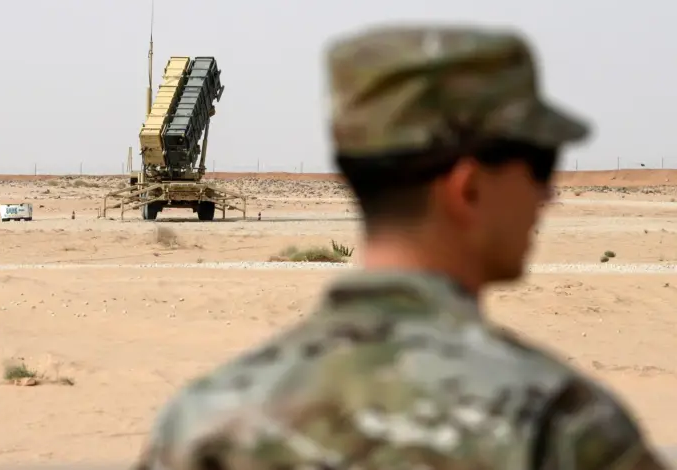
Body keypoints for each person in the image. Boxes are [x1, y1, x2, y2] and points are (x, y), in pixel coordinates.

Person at [132, 24, 669, 470]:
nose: (547, 195)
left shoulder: (206, 423)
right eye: (541, 167)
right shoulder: (560, 425)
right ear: (468, 188)